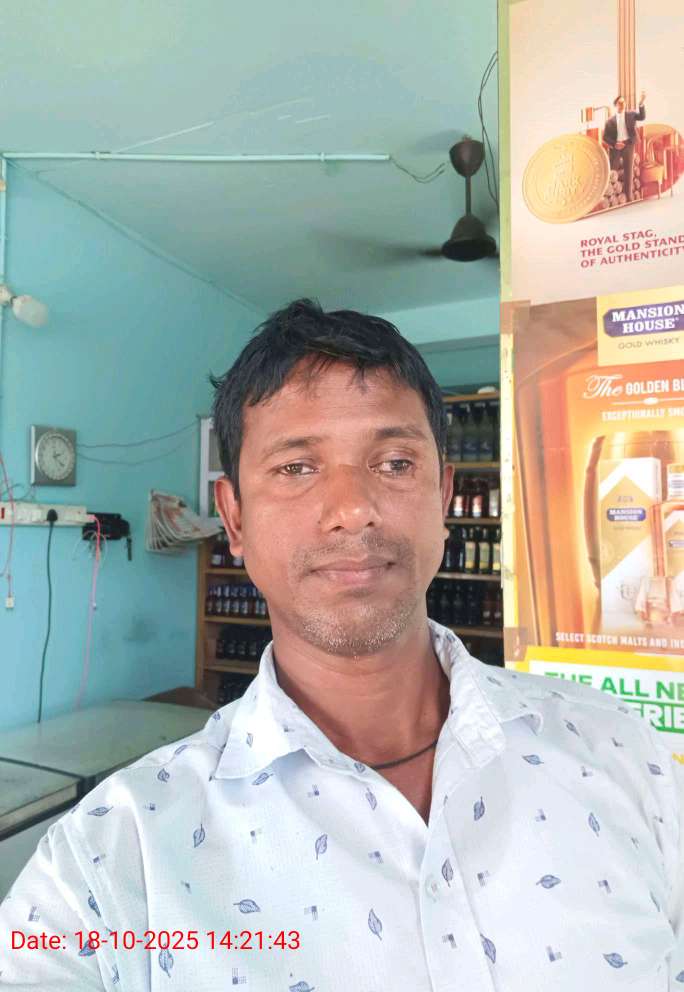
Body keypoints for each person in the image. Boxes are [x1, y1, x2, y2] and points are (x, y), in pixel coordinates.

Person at [0, 298, 682, 990]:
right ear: (234, 518)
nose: (353, 509)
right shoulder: (116, 857)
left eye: (394, 462)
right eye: (297, 468)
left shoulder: (621, 753)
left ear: (443, 497)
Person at [603, 91, 646, 201]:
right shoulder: (609, 121)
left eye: (624, 102)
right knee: (612, 171)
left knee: (629, 171)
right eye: (620, 103)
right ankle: (611, 198)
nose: (622, 104)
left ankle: (629, 197)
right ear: (615, 105)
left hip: (628, 145)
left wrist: (641, 103)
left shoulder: (631, 115)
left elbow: (642, 117)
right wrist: (614, 144)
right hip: (616, 147)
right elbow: (605, 137)